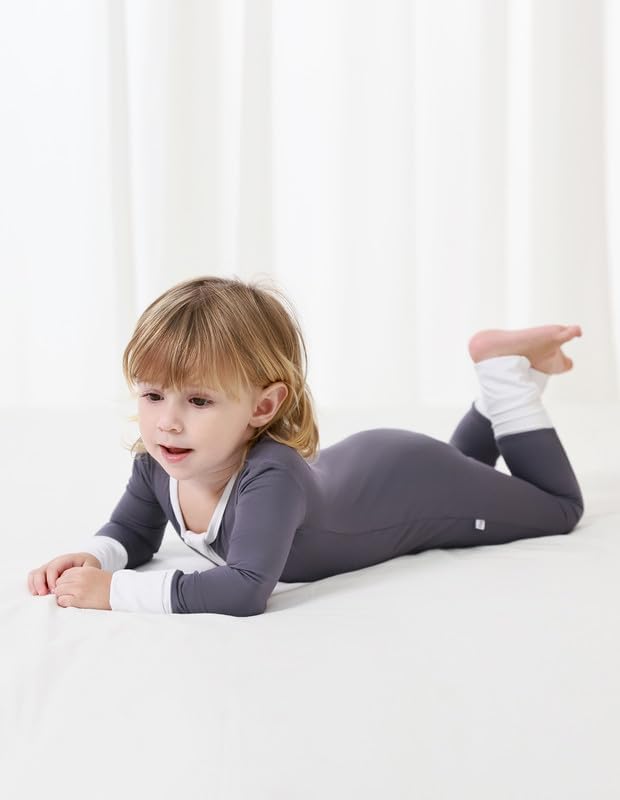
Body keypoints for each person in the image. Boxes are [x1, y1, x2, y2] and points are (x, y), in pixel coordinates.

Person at [27, 276, 584, 616]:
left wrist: (114, 593)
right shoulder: (157, 463)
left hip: (416, 483)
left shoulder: (271, 477)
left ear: (263, 407)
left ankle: (505, 377)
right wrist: (95, 557)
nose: (167, 423)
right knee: (468, 469)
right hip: (387, 470)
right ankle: (504, 375)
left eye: (198, 401)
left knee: (560, 508)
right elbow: (132, 531)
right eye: (152, 395)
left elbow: (245, 589)